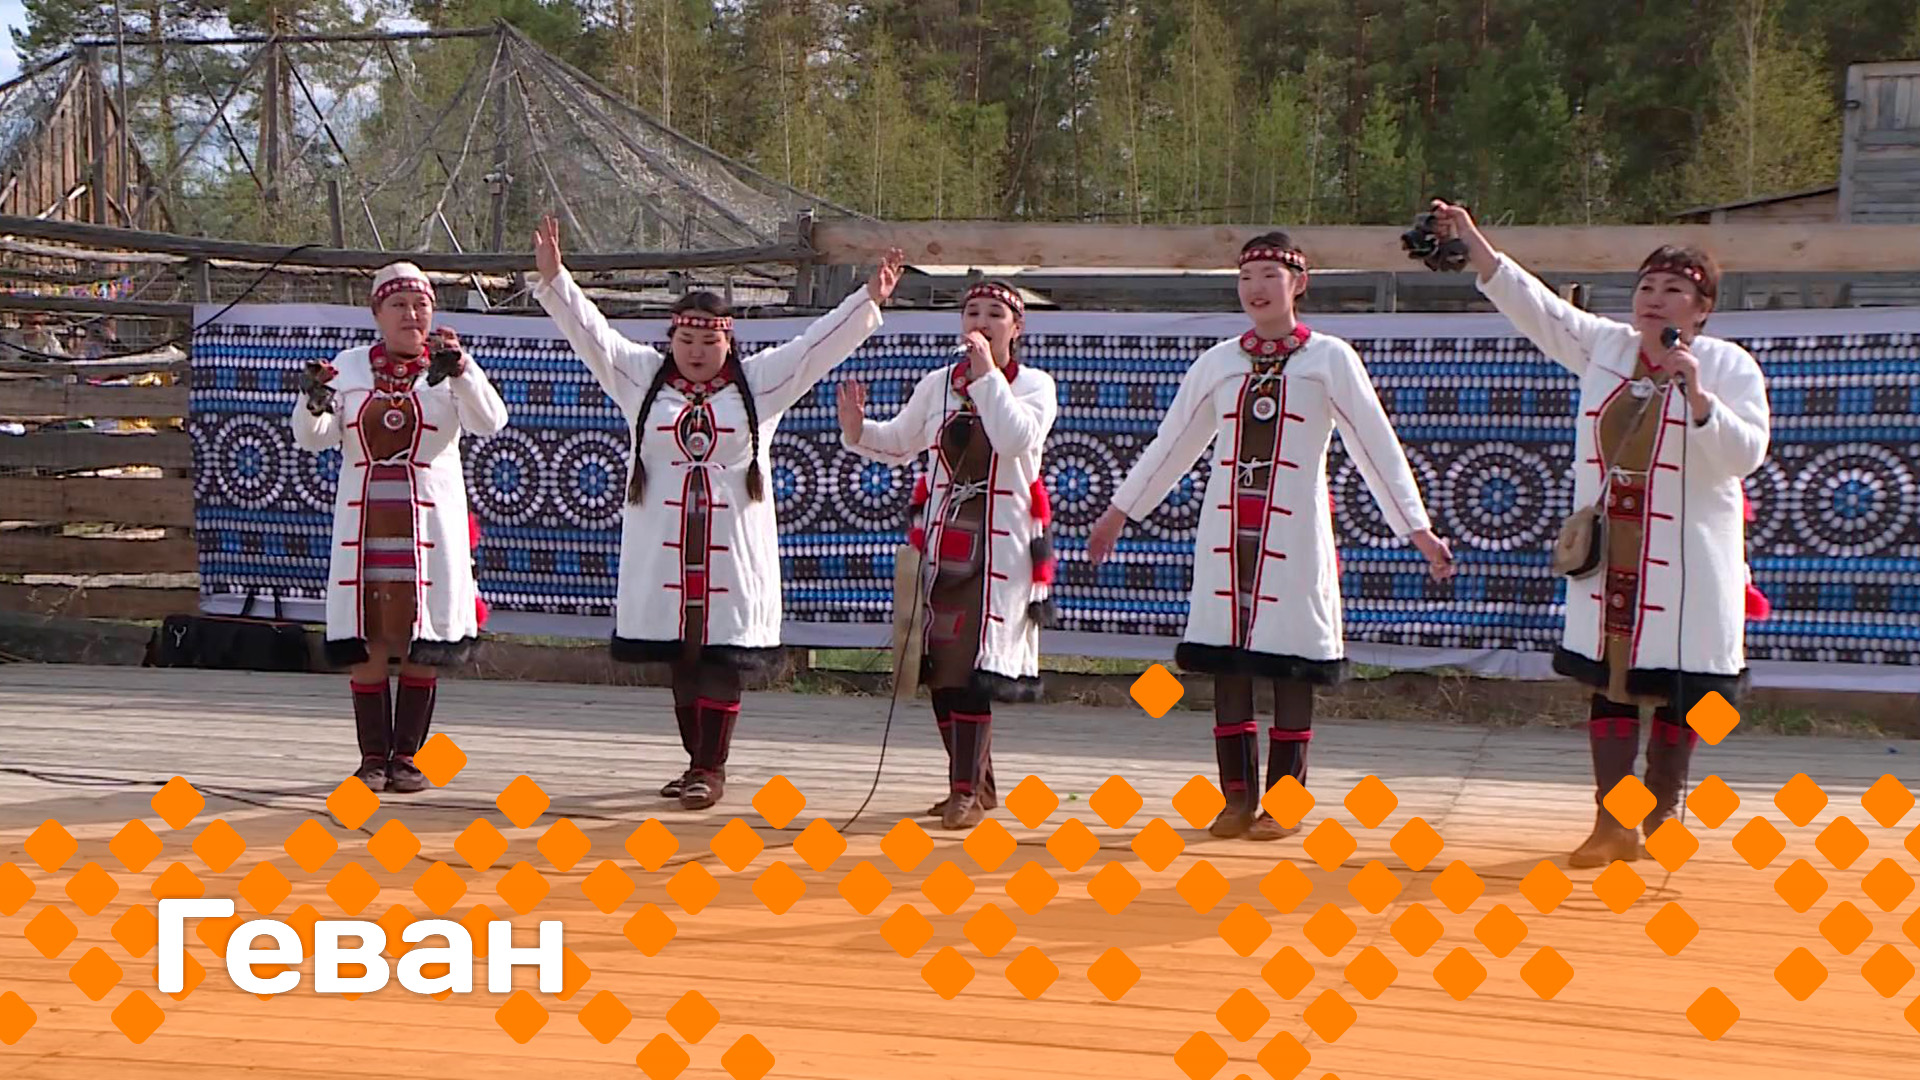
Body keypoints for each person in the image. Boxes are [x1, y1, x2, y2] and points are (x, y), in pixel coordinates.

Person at [1427, 200, 1771, 867]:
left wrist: (1698, 395)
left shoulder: (1729, 366)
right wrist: (1474, 243)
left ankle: (1660, 814)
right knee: (1611, 681)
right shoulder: (1607, 346)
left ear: (1702, 309)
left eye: (1674, 290)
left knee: (1678, 688)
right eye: (1646, 287)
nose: (1654, 299)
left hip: (1689, 561)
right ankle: (1612, 823)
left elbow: (1745, 455)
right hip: (1611, 553)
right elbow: (1537, 308)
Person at [1088, 233, 1454, 841]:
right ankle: (1236, 800)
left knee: (1292, 666)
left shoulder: (1330, 359)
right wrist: (1119, 511)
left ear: (1298, 284)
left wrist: (1418, 529)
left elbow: (1374, 444)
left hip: (1295, 537)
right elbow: (1172, 443)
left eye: (1269, 276)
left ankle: (1285, 803)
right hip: (1227, 534)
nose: (1256, 289)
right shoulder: (1218, 363)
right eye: (1246, 277)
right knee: (1228, 664)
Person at [532, 216, 905, 810]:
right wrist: (556, 280)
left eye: (709, 343)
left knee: (720, 656)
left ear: (728, 342)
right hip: (664, 551)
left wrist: (869, 299)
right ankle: (696, 763)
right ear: (670, 342)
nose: (698, 353)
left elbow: (814, 349)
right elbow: (592, 335)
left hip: (732, 551)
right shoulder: (642, 379)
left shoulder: (757, 384)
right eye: (687, 342)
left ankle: (711, 767)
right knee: (681, 656)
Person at [837, 280, 1059, 829]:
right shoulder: (938, 384)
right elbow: (900, 442)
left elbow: (1014, 439)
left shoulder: (1035, 385)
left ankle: (964, 791)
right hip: (944, 542)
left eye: (995, 314)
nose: (981, 322)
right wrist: (858, 430)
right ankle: (978, 785)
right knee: (939, 664)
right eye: (972, 312)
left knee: (971, 666)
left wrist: (987, 377)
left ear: (1017, 328)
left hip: (1000, 549)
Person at [292, 262, 509, 793]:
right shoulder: (347, 368)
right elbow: (313, 438)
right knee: (368, 635)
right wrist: (313, 399)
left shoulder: (449, 364)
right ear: (377, 313)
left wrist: (462, 371)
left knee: (421, 637)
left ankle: (408, 757)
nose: (412, 315)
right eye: (399, 305)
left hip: (428, 527)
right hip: (366, 525)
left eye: (421, 305)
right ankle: (372, 759)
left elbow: (490, 421)